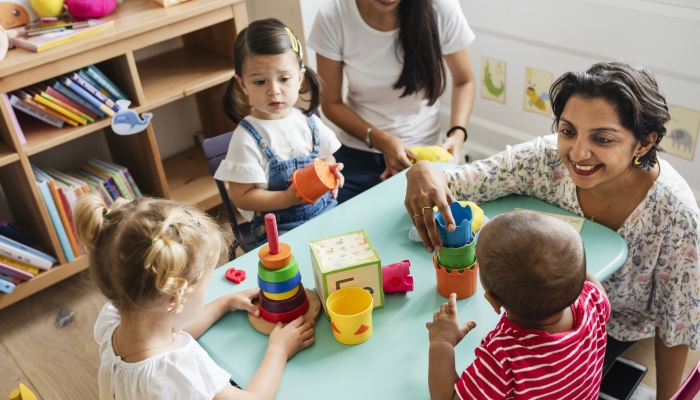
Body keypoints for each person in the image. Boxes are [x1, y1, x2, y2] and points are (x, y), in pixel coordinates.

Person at [406, 61, 700, 399]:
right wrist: (425, 170)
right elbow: (464, 181)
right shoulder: (544, 159)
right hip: (537, 307)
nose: (578, 153)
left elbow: (676, 322)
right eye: (568, 130)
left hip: (612, 327)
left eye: (602, 138)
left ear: (644, 143)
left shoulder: (674, 212)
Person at [74, 195, 316, 400]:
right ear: (176, 299)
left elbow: (174, 332)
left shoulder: (116, 320)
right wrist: (279, 350)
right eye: (207, 286)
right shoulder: (180, 371)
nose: (209, 290)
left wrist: (224, 303)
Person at [427, 210, 611, 400]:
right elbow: (583, 278)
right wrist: (563, 260)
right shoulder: (594, 300)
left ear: (494, 301)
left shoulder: (504, 357)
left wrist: (442, 342)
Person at [308, 0, 477, 203]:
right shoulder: (333, 17)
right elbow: (331, 103)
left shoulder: (441, 8)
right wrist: (381, 139)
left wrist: (458, 133)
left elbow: (464, 81)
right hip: (357, 152)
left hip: (422, 154)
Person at [216, 19, 344, 246]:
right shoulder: (246, 138)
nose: (273, 91)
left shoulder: (309, 121)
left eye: (284, 79)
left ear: (300, 78)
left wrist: (330, 172)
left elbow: (326, 157)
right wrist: (286, 198)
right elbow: (241, 197)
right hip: (279, 229)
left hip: (326, 211)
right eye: (259, 81)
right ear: (242, 85)